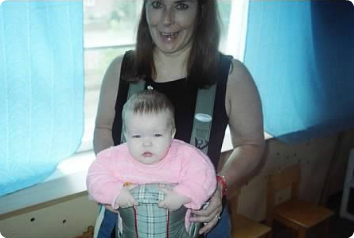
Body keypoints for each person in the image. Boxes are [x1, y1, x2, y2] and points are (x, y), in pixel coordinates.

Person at [93, 0, 265, 237]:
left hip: (200, 220)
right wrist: (110, 184)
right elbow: (103, 129)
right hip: (123, 219)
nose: (166, 19)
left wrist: (219, 186)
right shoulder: (119, 69)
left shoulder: (232, 75)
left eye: (181, 5)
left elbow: (251, 145)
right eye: (157, 4)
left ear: (201, 11)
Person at [87, 90, 217, 235]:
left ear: (172, 133)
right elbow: (95, 176)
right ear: (126, 134)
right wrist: (114, 192)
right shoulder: (115, 157)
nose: (147, 143)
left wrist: (184, 195)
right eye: (136, 135)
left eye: (157, 135)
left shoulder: (186, 156)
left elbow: (205, 175)